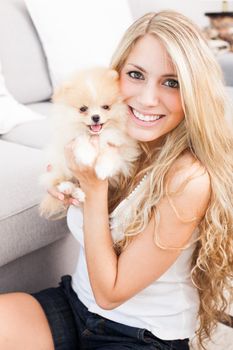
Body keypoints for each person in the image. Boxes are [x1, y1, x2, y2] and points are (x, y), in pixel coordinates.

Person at [0, 10, 232, 350]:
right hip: (77, 307)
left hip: (141, 336)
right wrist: (63, 181)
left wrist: (94, 192)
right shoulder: (112, 135)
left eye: (172, 82)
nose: (147, 98)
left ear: (193, 92)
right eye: (136, 75)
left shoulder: (188, 180)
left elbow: (111, 293)